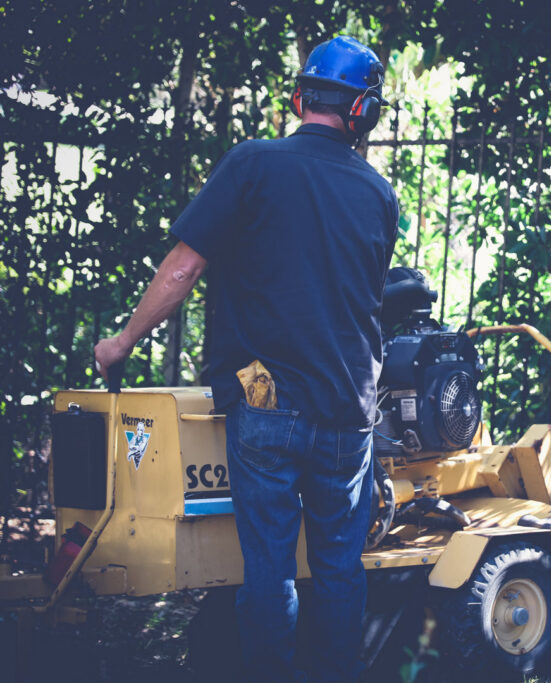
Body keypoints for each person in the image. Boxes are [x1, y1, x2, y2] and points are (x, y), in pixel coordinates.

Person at [94, 35, 399, 683]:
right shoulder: (378, 193)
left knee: (270, 570)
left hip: (268, 398)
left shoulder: (253, 164)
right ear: (362, 111)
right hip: (350, 412)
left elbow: (183, 268)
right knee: (340, 571)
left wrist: (122, 342)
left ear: (299, 98)